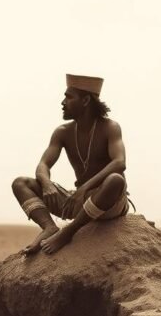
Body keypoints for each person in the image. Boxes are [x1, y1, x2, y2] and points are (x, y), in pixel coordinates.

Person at [13, 74, 130, 255]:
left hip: (108, 202)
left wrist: (85, 188)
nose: (63, 102)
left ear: (85, 101)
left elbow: (119, 163)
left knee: (115, 180)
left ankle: (68, 232)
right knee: (21, 183)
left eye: (69, 97)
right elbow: (43, 165)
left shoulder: (110, 127)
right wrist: (47, 184)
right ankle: (49, 228)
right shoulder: (62, 132)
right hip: (79, 202)